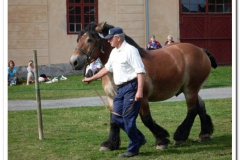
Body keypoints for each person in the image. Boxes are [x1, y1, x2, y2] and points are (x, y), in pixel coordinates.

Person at [83, 27, 147, 158]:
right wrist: (91, 78)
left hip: (131, 87)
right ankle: (139, 137)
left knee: (128, 120)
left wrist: (139, 90)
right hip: (120, 89)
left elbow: (140, 71)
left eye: (110, 38)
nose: (108, 41)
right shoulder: (114, 52)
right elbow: (107, 68)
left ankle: (133, 148)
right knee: (117, 117)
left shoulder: (131, 51)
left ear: (118, 38)